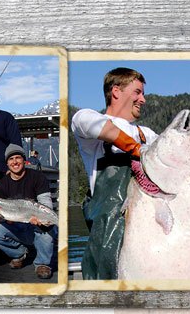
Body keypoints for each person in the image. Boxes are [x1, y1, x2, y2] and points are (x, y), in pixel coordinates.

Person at [71, 67, 158, 280]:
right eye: (138, 92)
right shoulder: (88, 122)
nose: (143, 99)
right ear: (116, 91)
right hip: (108, 237)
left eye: (143, 94)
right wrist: (136, 149)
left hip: (147, 235)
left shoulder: (146, 134)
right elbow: (93, 124)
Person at [0, 144, 57, 279]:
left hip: (36, 224)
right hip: (17, 225)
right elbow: (3, 218)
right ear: (7, 163)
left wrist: (41, 220)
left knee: (48, 230)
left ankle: (43, 263)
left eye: (18, 158)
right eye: (11, 159)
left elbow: (46, 204)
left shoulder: (38, 177)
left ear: (24, 160)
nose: (15, 162)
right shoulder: (2, 185)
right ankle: (19, 253)